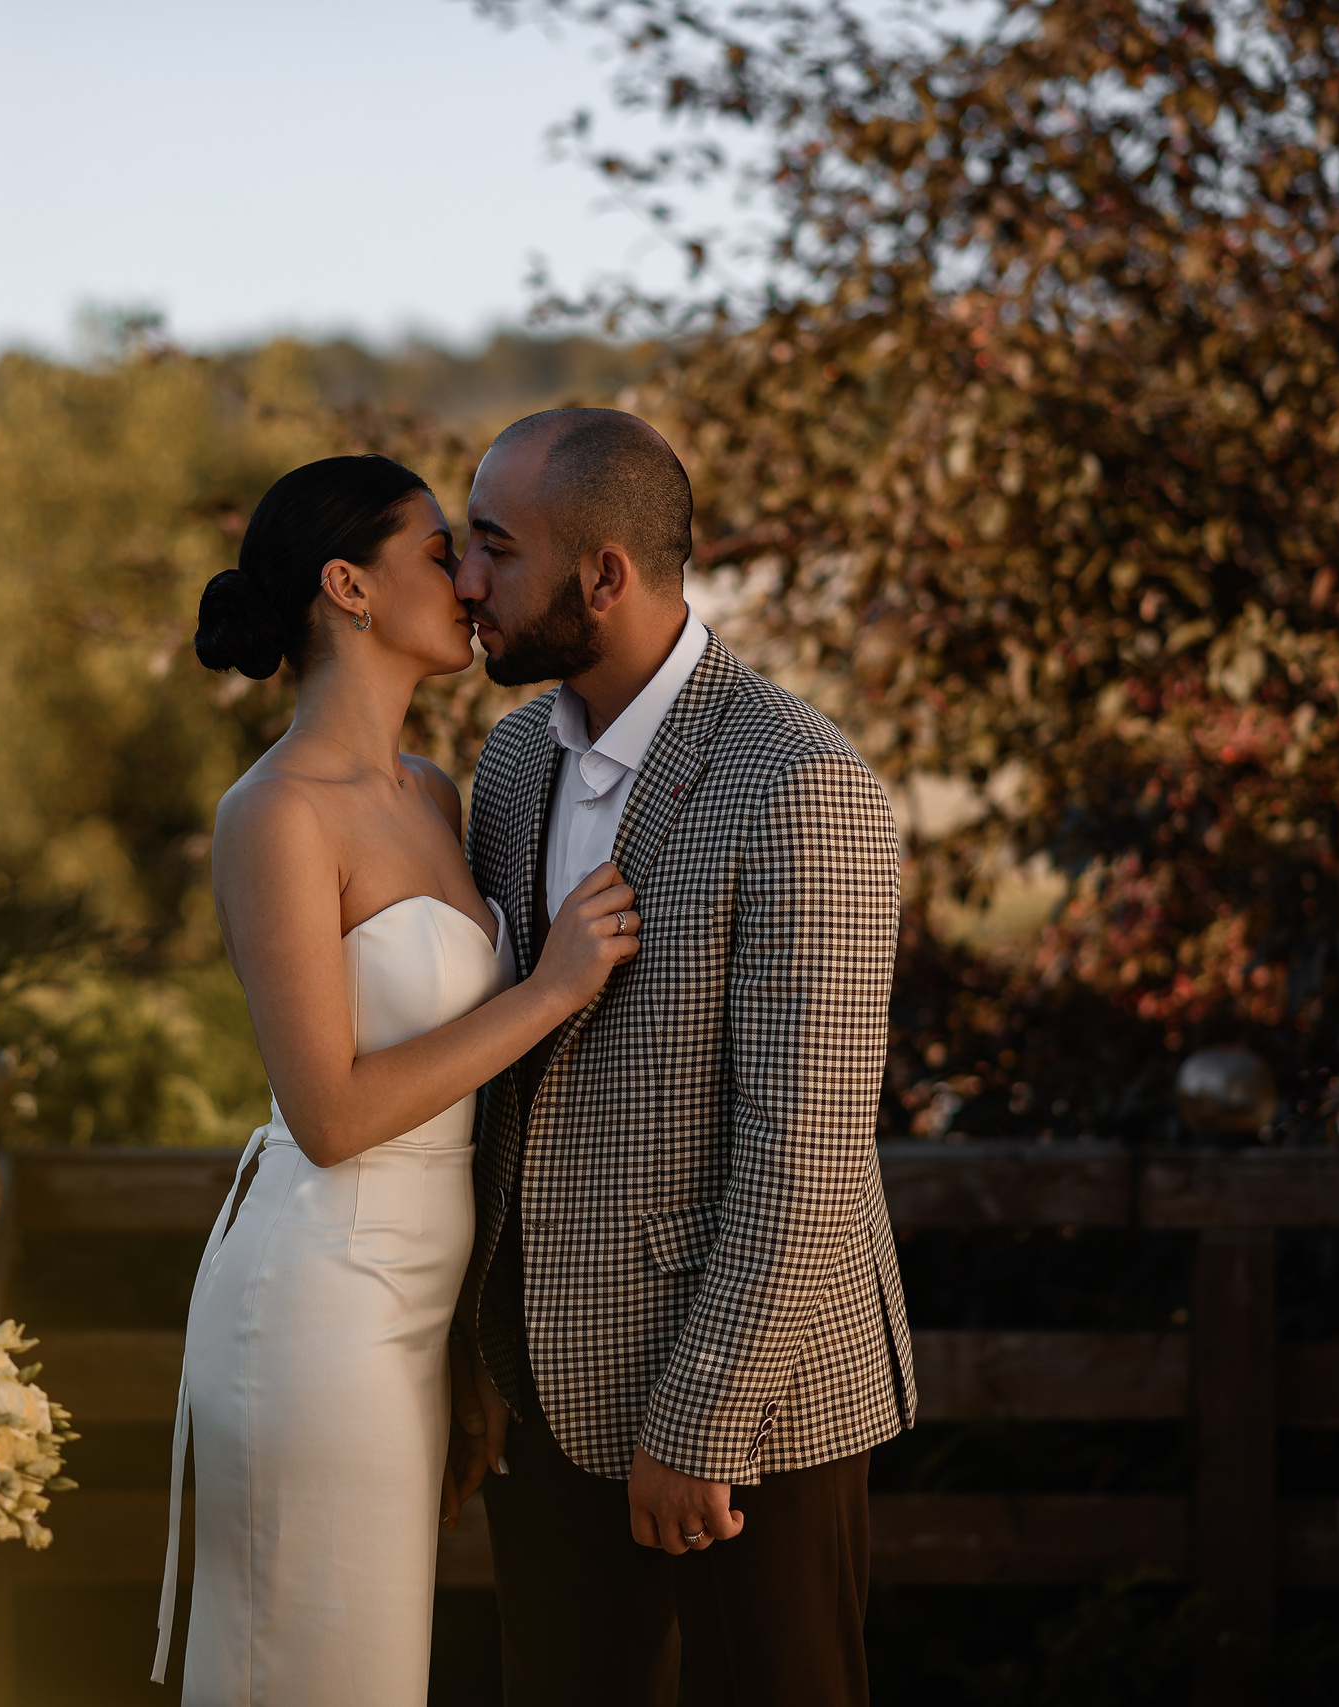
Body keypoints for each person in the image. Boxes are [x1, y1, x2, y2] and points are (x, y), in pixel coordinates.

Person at [153, 454, 645, 1707]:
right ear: (347, 586)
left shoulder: (434, 790)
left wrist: (469, 1351)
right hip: (318, 1304)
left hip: (421, 1315)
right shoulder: (275, 815)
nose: (472, 581)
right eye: (440, 553)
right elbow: (330, 1115)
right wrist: (552, 991)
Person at [445, 409, 915, 1707]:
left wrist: (698, 1418)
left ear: (604, 573)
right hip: (540, 1393)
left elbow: (806, 1148)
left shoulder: (799, 784)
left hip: (748, 1408)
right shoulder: (504, 766)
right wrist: (476, 1358)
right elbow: (504, 1087)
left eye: (494, 545)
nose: (464, 579)